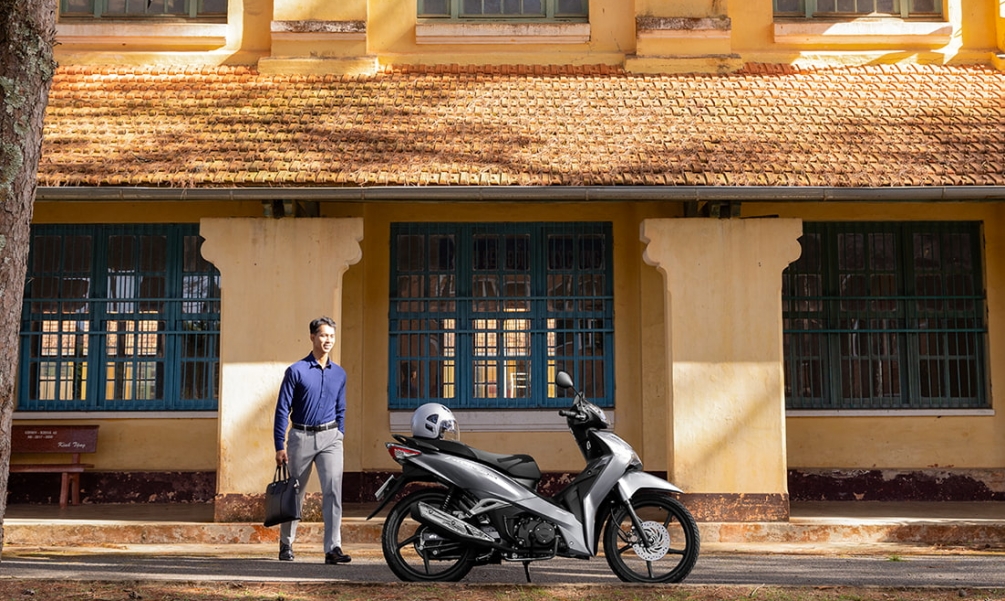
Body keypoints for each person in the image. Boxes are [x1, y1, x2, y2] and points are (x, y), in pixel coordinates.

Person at [274, 316, 351, 564]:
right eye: (323, 335)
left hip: (331, 438)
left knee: (333, 492)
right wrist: (279, 445)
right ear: (312, 337)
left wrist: (340, 433)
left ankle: (333, 548)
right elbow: (282, 409)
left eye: (331, 336)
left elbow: (341, 408)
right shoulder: (296, 371)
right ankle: (286, 543)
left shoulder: (339, 374)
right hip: (301, 437)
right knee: (294, 492)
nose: (328, 340)